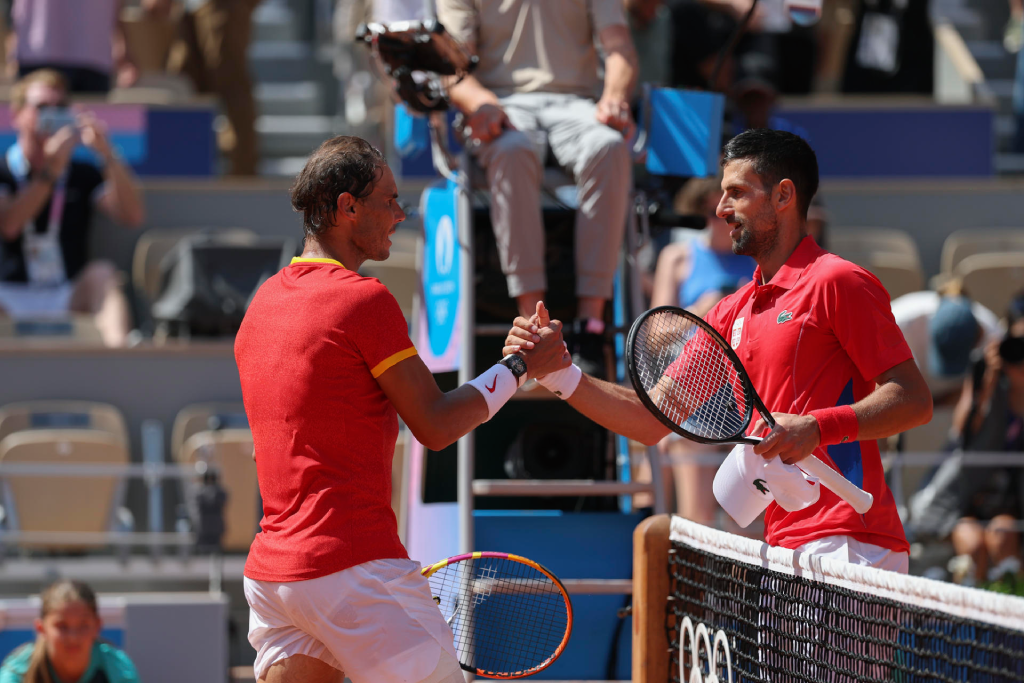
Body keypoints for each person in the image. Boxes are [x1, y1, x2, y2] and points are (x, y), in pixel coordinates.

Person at [505, 129, 933, 572]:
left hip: (852, 544)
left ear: (783, 195)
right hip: (782, 547)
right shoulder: (730, 313)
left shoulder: (837, 281)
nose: (720, 209)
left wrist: (815, 428)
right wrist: (559, 373)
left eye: (737, 193)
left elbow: (913, 400)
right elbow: (650, 419)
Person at [234, 136, 568, 683]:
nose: (400, 213)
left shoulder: (262, 303)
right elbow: (435, 424)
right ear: (347, 207)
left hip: (273, 579)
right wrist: (519, 367)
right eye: (388, 200)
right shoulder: (362, 300)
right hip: (351, 569)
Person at [436, 0, 638, 378]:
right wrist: (482, 103)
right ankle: (534, 329)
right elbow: (453, 66)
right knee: (513, 151)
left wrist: (614, 96)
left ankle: (589, 327)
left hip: (576, 105)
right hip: (500, 101)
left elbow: (619, 47)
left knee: (609, 147)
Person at [0, 69, 145, 346]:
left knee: (103, 275)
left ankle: (122, 365)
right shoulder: (3, 170)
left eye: (60, 108)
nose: (51, 116)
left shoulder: (83, 172)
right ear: (17, 114)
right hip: (8, 294)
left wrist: (107, 153)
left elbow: (132, 215)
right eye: (41, 108)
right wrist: (51, 171)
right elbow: (10, 225)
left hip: (66, 293)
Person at [649, 177, 755, 525]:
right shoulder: (677, 257)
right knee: (696, 521)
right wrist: (703, 310)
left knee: (748, 527)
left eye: (729, 211)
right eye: (710, 212)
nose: (720, 219)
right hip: (695, 402)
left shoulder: (759, 259)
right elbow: (653, 336)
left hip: (749, 399)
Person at [945, 293, 1024, 586]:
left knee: (1003, 540)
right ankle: (969, 628)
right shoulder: (985, 370)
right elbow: (960, 431)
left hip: (1013, 502)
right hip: (972, 497)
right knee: (973, 548)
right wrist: (987, 386)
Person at [144, 0, 261, 176]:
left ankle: (242, 169)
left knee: (229, 78)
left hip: (221, 5)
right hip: (190, 7)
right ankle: (188, 164)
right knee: (183, 78)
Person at [0, 579, 140, 683]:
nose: (73, 637)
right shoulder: (16, 672)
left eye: (83, 625)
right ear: (41, 629)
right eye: (62, 626)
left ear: (97, 626)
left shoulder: (119, 669)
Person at [891, 281, 1003, 404]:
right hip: (909, 401)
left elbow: (978, 393)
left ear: (977, 338)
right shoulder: (897, 323)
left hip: (953, 402)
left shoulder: (993, 337)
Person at [6, 0, 137, 93]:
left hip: (91, 56)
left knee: (87, 125)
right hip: (37, 53)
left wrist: (122, 45)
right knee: (36, 126)